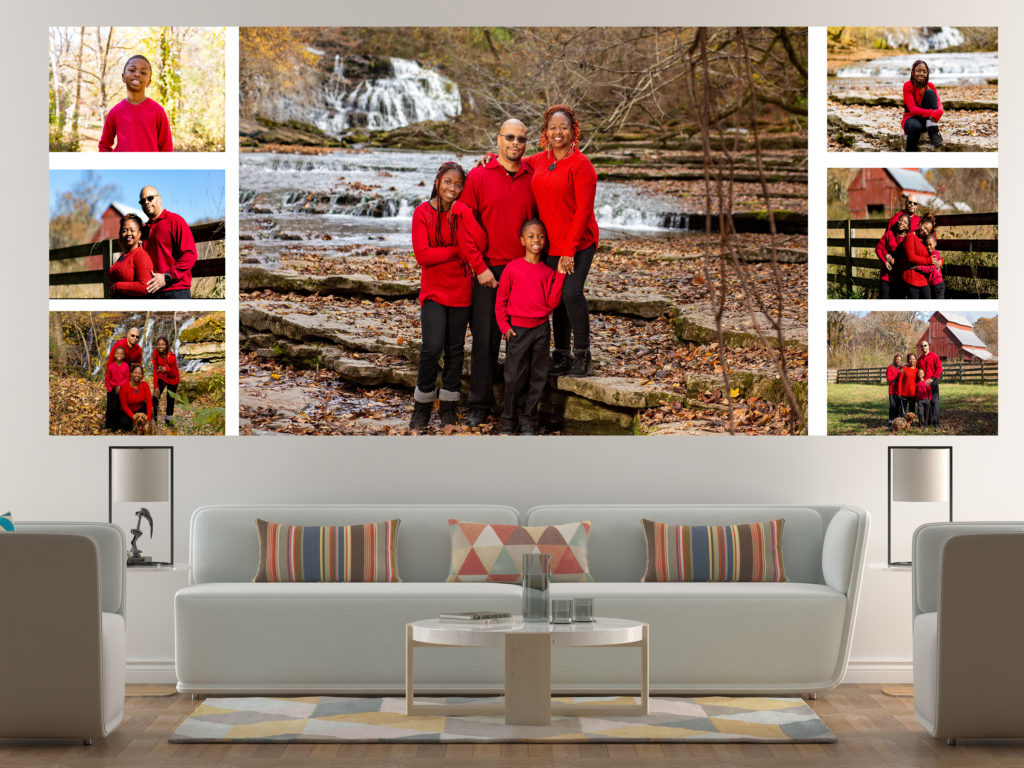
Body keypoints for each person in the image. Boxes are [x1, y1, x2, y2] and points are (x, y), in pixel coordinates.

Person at [461, 119, 536, 427]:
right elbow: (464, 226)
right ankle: (478, 404)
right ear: (498, 140)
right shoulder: (479, 175)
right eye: (509, 137)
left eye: (521, 139)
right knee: (485, 341)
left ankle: (517, 408)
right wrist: (479, 268)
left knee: (520, 343)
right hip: (487, 271)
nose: (515, 143)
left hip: (522, 272)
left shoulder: (534, 178)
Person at [409, 162, 489, 430]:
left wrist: (465, 212)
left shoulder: (462, 213)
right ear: (438, 180)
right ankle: (421, 407)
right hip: (433, 292)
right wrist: (457, 251)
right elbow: (424, 256)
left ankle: (448, 408)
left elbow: (481, 242)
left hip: (462, 291)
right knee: (432, 348)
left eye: (458, 185)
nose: (452, 189)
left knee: (455, 351)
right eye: (448, 182)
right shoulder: (422, 213)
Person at [523, 105, 599, 376]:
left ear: (573, 131)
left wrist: (569, 251)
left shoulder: (582, 166)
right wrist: (490, 157)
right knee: (556, 299)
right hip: (551, 243)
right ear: (545, 132)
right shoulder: (540, 160)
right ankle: (562, 356)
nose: (558, 132)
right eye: (553, 128)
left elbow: (583, 212)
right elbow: (517, 162)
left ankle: (582, 354)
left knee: (571, 293)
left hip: (579, 243)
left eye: (563, 127)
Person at [494, 219, 567, 435]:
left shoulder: (547, 271)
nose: (536, 240)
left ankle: (528, 420)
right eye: (531, 236)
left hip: (541, 331)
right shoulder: (512, 268)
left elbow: (552, 303)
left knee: (537, 378)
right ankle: (508, 419)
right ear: (522, 240)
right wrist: (504, 326)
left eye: (540, 236)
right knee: (514, 377)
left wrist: (561, 274)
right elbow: (500, 302)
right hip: (517, 330)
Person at [98, 55, 173, 152]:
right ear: (123, 77)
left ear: (149, 82)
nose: (137, 74)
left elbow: (166, 148)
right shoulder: (115, 112)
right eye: (132, 70)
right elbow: (104, 146)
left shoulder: (158, 111)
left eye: (143, 72)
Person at [139, 186, 198, 299]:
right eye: (142, 201)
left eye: (150, 198)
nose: (146, 202)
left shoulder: (175, 221)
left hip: (176, 290)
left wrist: (167, 277)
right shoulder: (144, 230)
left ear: (159, 199)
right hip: (151, 292)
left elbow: (190, 254)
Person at [108, 214, 155, 298]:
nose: (128, 233)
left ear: (139, 234)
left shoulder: (140, 256)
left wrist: (117, 286)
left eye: (132, 230)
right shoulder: (123, 256)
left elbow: (145, 287)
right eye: (124, 230)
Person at [902, 59, 944, 152]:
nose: (921, 74)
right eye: (918, 71)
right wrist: (933, 113)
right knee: (915, 127)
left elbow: (938, 102)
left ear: (927, 74)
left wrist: (940, 111)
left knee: (930, 93)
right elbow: (912, 109)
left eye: (924, 71)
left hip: (926, 120)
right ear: (913, 72)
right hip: (911, 119)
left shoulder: (930, 85)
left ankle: (933, 131)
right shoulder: (907, 86)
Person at [875, 212, 910, 299]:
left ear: (908, 227)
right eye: (900, 220)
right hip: (887, 273)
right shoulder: (889, 234)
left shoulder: (909, 238)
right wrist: (885, 261)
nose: (901, 223)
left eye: (905, 222)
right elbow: (878, 248)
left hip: (900, 276)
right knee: (884, 298)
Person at [897, 221, 934, 299]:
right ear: (920, 224)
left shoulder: (925, 241)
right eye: (925, 227)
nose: (925, 231)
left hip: (923, 278)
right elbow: (911, 257)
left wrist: (940, 260)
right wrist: (928, 261)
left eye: (928, 231)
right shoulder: (910, 237)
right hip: (911, 277)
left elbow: (933, 253)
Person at [152, 336, 180, 428]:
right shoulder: (155, 353)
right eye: (159, 344)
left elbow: (174, 373)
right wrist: (156, 386)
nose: (160, 346)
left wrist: (166, 369)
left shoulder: (171, 357)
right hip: (161, 377)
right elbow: (155, 370)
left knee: (170, 399)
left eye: (163, 344)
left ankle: (168, 421)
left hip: (173, 379)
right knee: (155, 397)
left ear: (167, 345)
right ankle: (153, 418)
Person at [118, 363, 153, 433]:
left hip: (140, 408)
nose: (137, 375)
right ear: (131, 374)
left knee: (152, 406)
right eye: (135, 373)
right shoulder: (125, 387)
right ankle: (134, 424)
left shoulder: (145, 385)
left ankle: (145, 423)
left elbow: (149, 402)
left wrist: (148, 421)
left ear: (142, 375)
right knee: (125, 424)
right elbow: (124, 406)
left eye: (139, 373)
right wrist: (134, 417)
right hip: (128, 410)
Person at [917, 340, 943, 427]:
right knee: (926, 404)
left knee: (934, 403)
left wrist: (932, 379)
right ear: (920, 348)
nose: (923, 347)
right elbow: (917, 371)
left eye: (925, 345)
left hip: (933, 383)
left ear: (928, 346)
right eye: (922, 346)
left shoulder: (934, 356)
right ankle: (927, 422)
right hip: (924, 386)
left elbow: (939, 368)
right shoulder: (920, 359)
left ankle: (936, 423)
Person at [103, 345, 130, 430]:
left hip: (121, 390)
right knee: (109, 408)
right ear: (114, 355)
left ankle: (114, 425)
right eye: (117, 353)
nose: (119, 355)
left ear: (124, 356)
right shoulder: (111, 366)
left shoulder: (126, 366)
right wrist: (110, 389)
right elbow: (107, 379)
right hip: (111, 390)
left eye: (121, 354)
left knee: (117, 408)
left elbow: (127, 378)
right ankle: (107, 423)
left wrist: (120, 385)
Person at [921, 232, 945, 299]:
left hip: (938, 284)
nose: (928, 247)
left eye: (930, 244)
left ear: (935, 243)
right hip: (933, 284)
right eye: (926, 245)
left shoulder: (935, 254)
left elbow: (930, 268)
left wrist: (917, 267)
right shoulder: (929, 255)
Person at [898, 352, 920, 421]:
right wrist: (899, 393)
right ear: (908, 360)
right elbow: (900, 381)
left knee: (912, 409)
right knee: (902, 409)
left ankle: (910, 422)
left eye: (913, 359)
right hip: (904, 394)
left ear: (916, 360)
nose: (912, 360)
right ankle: (902, 422)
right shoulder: (904, 369)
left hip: (913, 394)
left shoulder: (917, 370)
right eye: (910, 359)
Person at [886, 353, 904, 426]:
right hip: (892, 390)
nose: (898, 361)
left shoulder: (901, 368)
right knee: (892, 406)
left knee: (898, 406)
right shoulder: (890, 368)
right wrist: (897, 374)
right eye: (897, 359)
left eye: (899, 360)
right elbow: (889, 379)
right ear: (894, 360)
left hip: (899, 390)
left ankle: (896, 421)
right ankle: (891, 420)